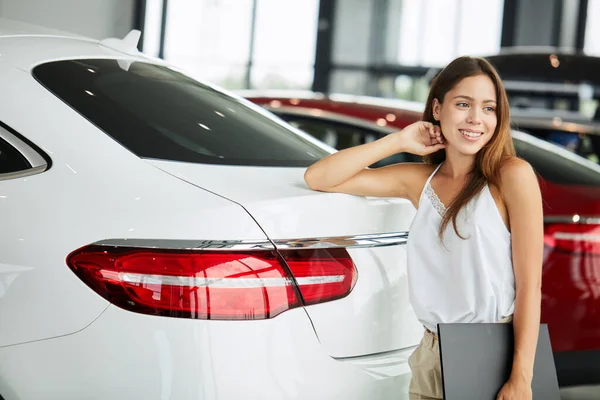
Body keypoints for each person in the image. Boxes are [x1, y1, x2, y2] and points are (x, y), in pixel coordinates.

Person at [303, 56, 543, 400]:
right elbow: (319, 178)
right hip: (430, 352)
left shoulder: (511, 176)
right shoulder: (420, 181)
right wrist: (399, 141)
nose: (476, 119)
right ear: (437, 107)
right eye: (463, 104)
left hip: (490, 354)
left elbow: (530, 287)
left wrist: (521, 377)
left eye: (489, 108)